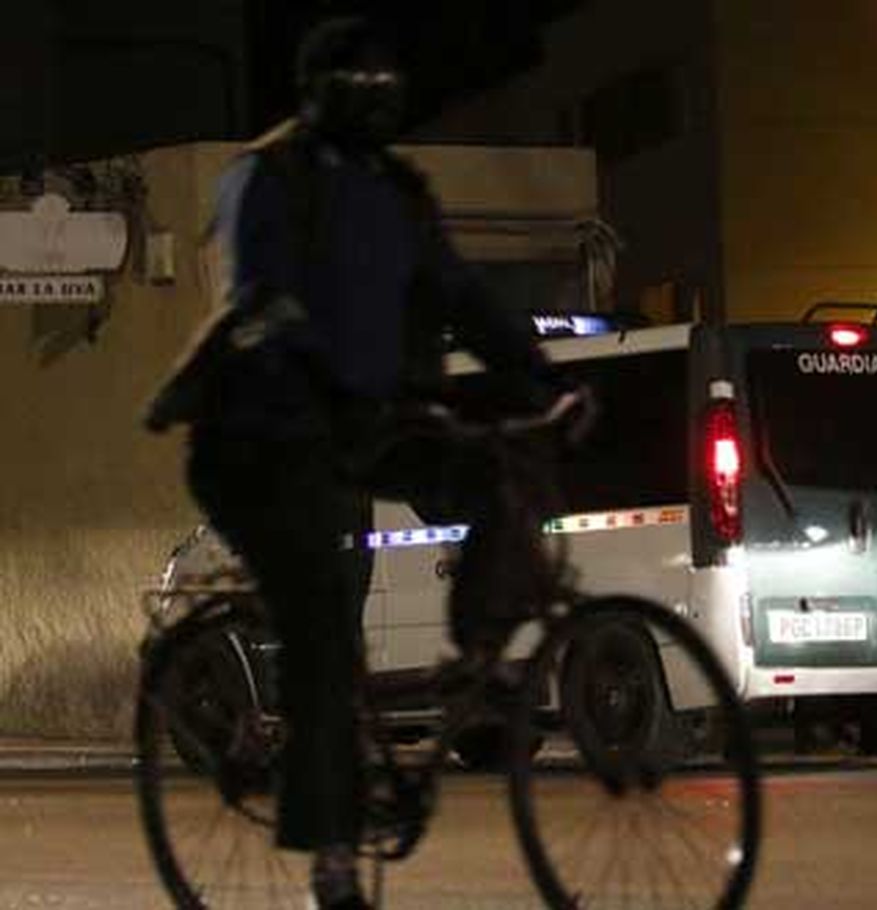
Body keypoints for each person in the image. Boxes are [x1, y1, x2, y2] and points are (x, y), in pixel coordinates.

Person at [167, 18, 565, 909]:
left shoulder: (399, 192)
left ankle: (474, 659)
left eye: (387, 87)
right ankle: (334, 859)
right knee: (322, 631)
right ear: (318, 94)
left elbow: (463, 297)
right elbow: (261, 299)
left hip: (363, 423)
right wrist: (330, 381)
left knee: (500, 474)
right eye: (357, 86)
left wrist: (543, 381)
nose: (375, 102)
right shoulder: (269, 178)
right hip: (260, 435)